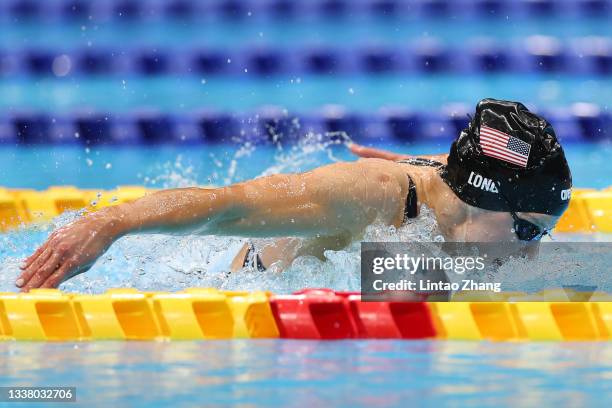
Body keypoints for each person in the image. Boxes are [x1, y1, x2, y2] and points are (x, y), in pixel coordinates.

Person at [16, 99, 572, 291]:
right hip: (239, 289)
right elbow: (227, 204)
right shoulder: (368, 195)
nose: (532, 251)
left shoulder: (461, 193)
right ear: (483, 200)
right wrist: (110, 223)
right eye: (528, 230)